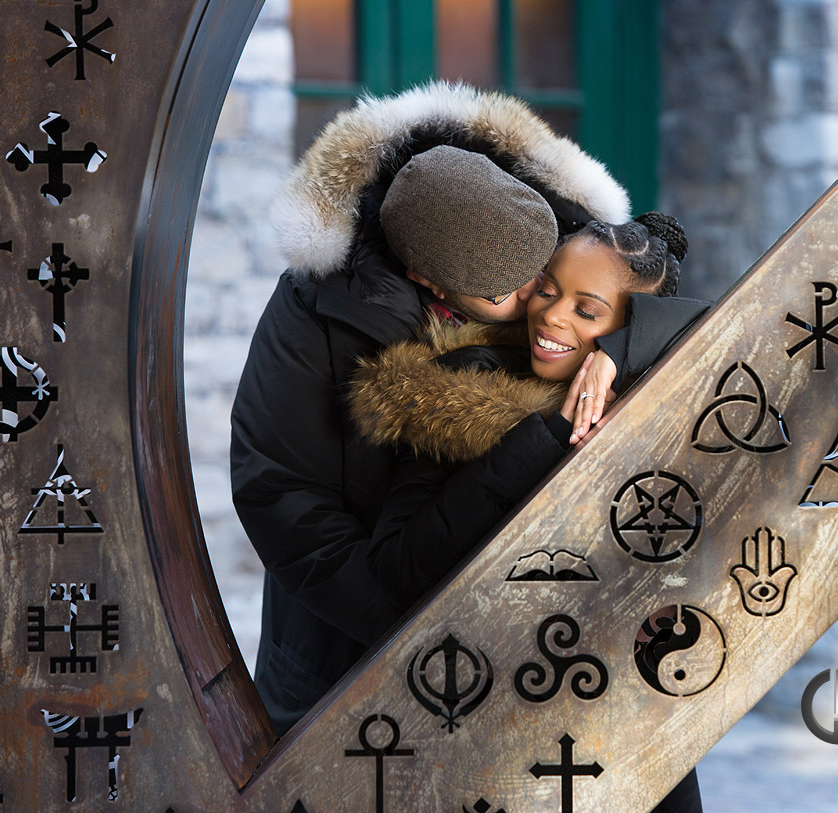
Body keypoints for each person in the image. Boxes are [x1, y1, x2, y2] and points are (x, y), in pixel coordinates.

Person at [230, 81, 632, 737]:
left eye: (545, 272)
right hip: (360, 643)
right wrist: (420, 634)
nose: (543, 300)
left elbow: (652, 297)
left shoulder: (552, 231)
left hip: (546, 640)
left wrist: (617, 346)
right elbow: (281, 492)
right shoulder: (316, 313)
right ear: (430, 281)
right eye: (514, 288)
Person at [348, 214, 707, 813]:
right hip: (492, 718)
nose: (552, 314)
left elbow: (758, 329)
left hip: (631, 714)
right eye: (547, 287)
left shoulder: (669, 405)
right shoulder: (461, 387)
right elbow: (398, 569)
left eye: (587, 311)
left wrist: (621, 352)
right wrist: (548, 436)